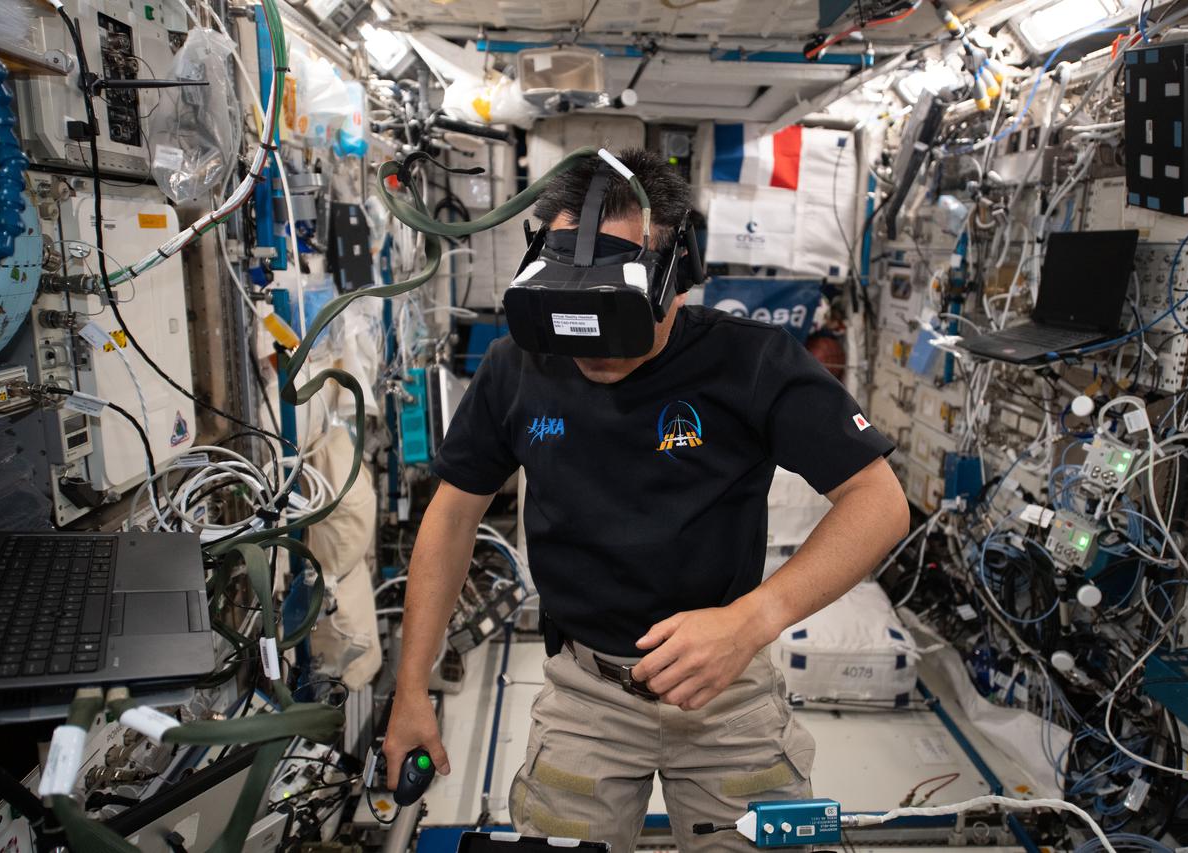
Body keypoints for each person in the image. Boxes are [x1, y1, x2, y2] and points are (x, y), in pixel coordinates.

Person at [384, 148, 910, 851]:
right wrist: (411, 688)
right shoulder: (519, 365)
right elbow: (450, 516)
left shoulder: (751, 362)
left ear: (680, 279)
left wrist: (753, 620)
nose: (592, 348)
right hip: (587, 694)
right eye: (572, 312)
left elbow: (878, 501)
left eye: (617, 316)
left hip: (728, 696)